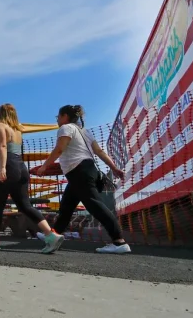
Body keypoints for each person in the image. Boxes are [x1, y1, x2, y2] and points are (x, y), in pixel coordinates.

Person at [37, 105, 131, 254]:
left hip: (78, 171)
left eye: (58, 117)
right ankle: (52, 235)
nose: (57, 120)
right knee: (66, 207)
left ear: (65, 116)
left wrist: (44, 166)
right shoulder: (84, 132)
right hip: (87, 170)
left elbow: (60, 149)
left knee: (94, 205)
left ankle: (119, 241)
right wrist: (114, 168)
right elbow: (99, 151)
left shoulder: (65, 128)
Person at [0, 103, 64, 253]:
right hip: (21, 167)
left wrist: (3, 168)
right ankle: (50, 235)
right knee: (25, 205)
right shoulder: (18, 131)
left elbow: (3, 147)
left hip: (7, 165)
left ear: (0, 114)